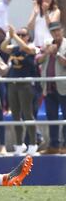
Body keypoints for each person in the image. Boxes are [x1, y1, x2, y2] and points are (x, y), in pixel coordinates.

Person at [0, 25, 39, 156]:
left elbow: (27, 49)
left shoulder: (33, 47)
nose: (21, 37)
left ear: (28, 36)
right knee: (15, 116)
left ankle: (33, 143)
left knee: (28, 114)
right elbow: (3, 48)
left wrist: (15, 36)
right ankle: (18, 144)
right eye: (19, 34)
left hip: (25, 85)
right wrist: (9, 37)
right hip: (13, 84)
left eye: (23, 35)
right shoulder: (15, 49)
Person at [36, 21, 66, 154]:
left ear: (62, 31)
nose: (56, 33)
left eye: (58, 30)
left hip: (64, 87)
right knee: (51, 118)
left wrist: (57, 54)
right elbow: (37, 60)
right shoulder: (48, 43)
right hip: (48, 87)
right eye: (53, 31)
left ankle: (64, 146)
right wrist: (47, 53)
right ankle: (54, 145)